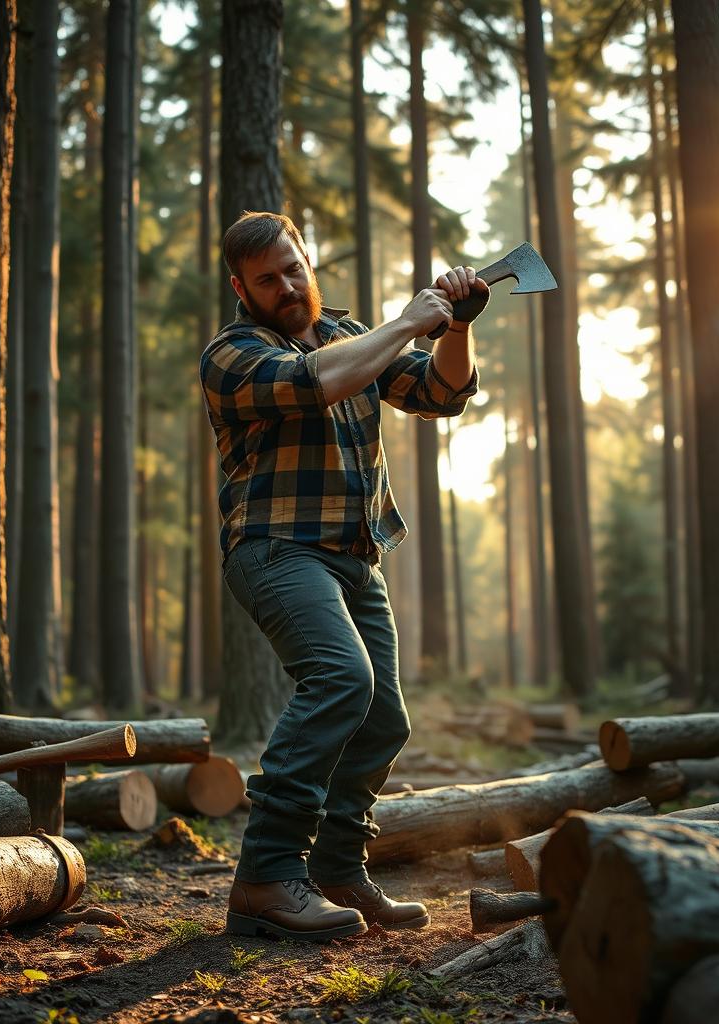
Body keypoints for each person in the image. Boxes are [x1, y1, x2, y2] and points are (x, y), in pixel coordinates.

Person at [199, 211, 488, 941]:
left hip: (356, 559)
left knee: (385, 718)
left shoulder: (347, 334)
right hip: (275, 550)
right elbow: (316, 382)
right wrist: (404, 320)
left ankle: (334, 869)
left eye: (294, 268)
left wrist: (453, 326)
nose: (288, 286)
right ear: (243, 287)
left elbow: (442, 395)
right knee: (340, 679)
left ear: (308, 260)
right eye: (268, 279)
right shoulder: (232, 355)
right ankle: (266, 875)